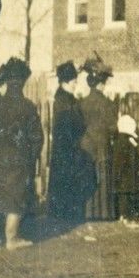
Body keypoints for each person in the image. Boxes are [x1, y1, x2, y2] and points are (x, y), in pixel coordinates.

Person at [0, 57, 44, 249]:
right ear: (22, 82)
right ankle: (11, 239)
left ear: (6, 81)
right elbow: (37, 137)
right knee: (15, 199)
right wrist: (31, 157)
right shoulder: (28, 107)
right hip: (19, 160)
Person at [46, 61, 93, 226]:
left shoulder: (65, 98)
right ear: (65, 82)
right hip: (67, 145)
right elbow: (73, 124)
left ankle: (63, 213)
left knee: (65, 179)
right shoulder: (65, 101)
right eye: (73, 82)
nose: (76, 85)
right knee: (66, 179)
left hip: (66, 145)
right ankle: (64, 214)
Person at [79, 58, 118, 222]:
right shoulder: (107, 103)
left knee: (88, 176)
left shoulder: (81, 103)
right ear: (101, 84)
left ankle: (87, 212)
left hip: (86, 144)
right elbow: (112, 127)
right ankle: (103, 212)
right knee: (102, 176)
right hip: (102, 144)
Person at [111, 113, 139, 225]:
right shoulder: (130, 142)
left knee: (122, 197)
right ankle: (129, 217)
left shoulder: (117, 142)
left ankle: (122, 215)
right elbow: (135, 159)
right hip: (129, 176)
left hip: (119, 175)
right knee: (130, 196)